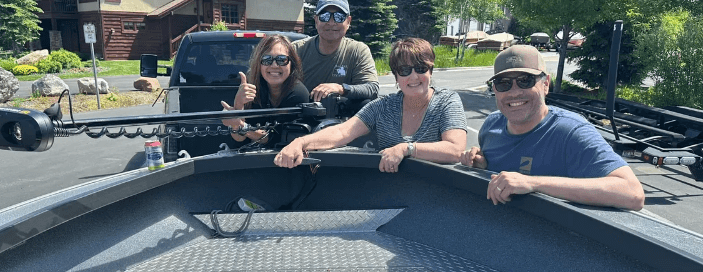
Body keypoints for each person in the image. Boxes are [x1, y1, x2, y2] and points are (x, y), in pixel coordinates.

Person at [460, 45, 645, 211]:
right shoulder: (491, 126)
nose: (514, 92)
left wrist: (533, 183)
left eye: (526, 80)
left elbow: (632, 193)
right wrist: (484, 167)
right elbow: (505, 181)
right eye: (503, 83)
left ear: (546, 84)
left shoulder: (571, 131)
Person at [274, 38, 467, 172]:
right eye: (405, 70)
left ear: (430, 71)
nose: (414, 76)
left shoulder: (447, 101)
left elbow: (456, 150)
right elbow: (342, 133)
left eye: (421, 68)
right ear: (396, 77)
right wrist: (300, 142)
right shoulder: (383, 106)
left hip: (436, 192)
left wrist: (406, 149)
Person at [221, 34, 309, 146]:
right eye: (267, 59)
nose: (274, 65)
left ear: (292, 63)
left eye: (281, 60)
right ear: (259, 64)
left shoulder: (298, 94)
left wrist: (242, 126)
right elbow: (239, 139)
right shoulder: (252, 87)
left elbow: (277, 139)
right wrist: (238, 106)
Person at [291, 0, 379, 106]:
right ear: (316, 20)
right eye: (325, 16)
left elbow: (371, 88)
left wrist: (340, 88)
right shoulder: (296, 50)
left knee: (367, 103)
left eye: (339, 17)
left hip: (343, 119)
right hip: (301, 117)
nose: (331, 23)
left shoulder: (358, 50)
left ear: (348, 22)